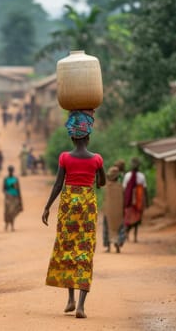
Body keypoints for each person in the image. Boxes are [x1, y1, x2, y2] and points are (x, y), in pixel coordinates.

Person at [42, 110, 106, 319]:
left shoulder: (64, 158)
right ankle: (80, 306)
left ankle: (69, 298)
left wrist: (47, 207)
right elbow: (102, 182)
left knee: (68, 248)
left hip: (69, 205)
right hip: (87, 207)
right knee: (85, 252)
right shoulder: (97, 159)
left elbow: (58, 184)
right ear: (88, 137)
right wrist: (96, 178)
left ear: (72, 137)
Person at [122, 157, 148, 243]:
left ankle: (128, 234)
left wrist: (123, 201)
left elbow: (124, 189)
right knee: (136, 220)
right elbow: (145, 190)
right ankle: (134, 237)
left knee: (129, 219)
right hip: (137, 202)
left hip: (131, 201)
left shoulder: (127, 175)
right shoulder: (141, 176)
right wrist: (146, 202)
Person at [103, 166, 125, 253]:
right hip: (119, 212)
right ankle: (117, 245)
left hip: (108, 211)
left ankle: (108, 247)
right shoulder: (120, 187)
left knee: (107, 227)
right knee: (119, 228)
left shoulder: (107, 186)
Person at [3, 165, 23, 232]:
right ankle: (7, 225)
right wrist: (8, 192)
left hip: (15, 197)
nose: (11, 172)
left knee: (13, 212)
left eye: (12, 171)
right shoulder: (6, 179)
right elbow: (3, 189)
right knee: (7, 212)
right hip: (8, 198)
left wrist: (20, 200)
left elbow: (18, 189)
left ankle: (12, 226)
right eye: (10, 170)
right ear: (9, 171)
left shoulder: (16, 179)